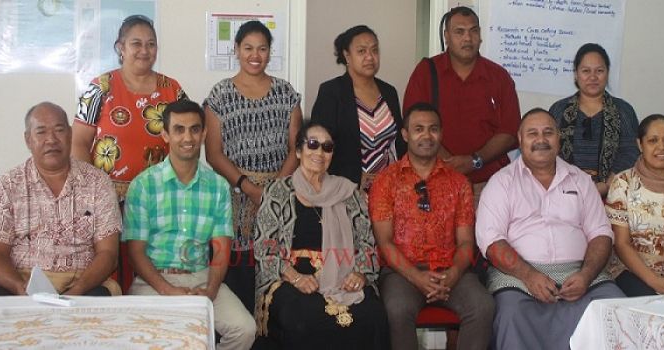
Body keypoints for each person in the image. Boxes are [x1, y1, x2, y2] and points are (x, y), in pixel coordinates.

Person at [476, 108, 626, 350]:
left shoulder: (579, 180)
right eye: (532, 133)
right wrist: (530, 276)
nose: (541, 140)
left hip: (581, 273)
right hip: (518, 277)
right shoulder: (501, 182)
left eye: (548, 132)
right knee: (512, 313)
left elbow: (601, 233)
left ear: (559, 138)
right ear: (520, 139)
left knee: (615, 307)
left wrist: (586, 276)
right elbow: (491, 241)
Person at [123, 100, 256, 350]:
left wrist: (211, 291)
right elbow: (135, 252)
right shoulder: (143, 185)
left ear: (204, 134)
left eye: (195, 129)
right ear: (165, 134)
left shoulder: (217, 186)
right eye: (179, 129)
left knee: (245, 330)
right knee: (146, 334)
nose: (188, 137)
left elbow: (221, 248)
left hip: (201, 277)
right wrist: (166, 290)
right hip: (153, 280)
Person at [369, 102, 494, 350]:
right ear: (405, 135)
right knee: (396, 309)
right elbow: (385, 242)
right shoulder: (386, 180)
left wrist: (453, 274)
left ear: (441, 134)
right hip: (402, 272)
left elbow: (467, 242)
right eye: (418, 129)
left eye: (433, 129)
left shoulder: (459, 183)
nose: (427, 135)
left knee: (483, 306)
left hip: (451, 271)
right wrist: (417, 277)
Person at [254, 122, 389, 349]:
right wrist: (295, 277)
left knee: (373, 316)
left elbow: (368, 245)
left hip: (343, 275)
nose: (319, 152)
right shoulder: (277, 192)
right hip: (290, 278)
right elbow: (265, 249)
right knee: (304, 320)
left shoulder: (349, 194)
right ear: (298, 151)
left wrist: (360, 274)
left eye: (327, 147)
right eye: (313, 144)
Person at [204, 20, 302, 313]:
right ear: (236, 50)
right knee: (238, 276)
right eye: (248, 48)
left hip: (280, 194)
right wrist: (249, 188)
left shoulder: (286, 92)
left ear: (270, 52)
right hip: (233, 197)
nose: (255, 54)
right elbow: (213, 154)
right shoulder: (220, 94)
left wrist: (270, 193)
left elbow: (296, 149)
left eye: (262, 48)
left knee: (277, 269)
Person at [0, 102, 121, 296]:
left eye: (59, 130)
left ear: (70, 134)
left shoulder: (98, 183)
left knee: (100, 297)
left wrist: (77, 290)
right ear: (28, 140)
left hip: (82, 281)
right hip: (21, 280)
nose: (51, 139)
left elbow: (108, 254)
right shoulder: (7, 185)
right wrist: (20, 288)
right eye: (41, 132)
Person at [402, 6, 520, 204]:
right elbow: (413, 126)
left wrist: (474, 161)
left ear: (480, 36)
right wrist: (449, 166)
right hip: (435, 184)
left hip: (488, 188)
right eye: (459, 31)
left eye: (473, 31)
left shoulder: (498, 77)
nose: (467, 38)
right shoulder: (426, 72)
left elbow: (509, 132)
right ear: (446, 36)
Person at [71, 14, 188, 203]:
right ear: (121, 47)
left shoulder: (172, 89)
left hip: (160, 198)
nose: (144, 50)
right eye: (136, 43)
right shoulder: (100, 88)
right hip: (107, 199)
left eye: (151, 44)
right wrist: (93, 190)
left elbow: (189, 139)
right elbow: (78, 143)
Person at [311, 25, 406, 192]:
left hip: (390, 189)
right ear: (347, 55)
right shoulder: (331, 92)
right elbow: (319, 148)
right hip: (348, 190)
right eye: (362, 51)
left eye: (374, 51)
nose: (370, 57)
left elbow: (399, 143)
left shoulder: (389, 92)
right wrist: (353, 177)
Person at [606, 114, 664, 296]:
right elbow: (621, 244)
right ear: (640, 144)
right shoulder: (624, 183)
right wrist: (656, 282)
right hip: (634, 274)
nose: (661, 147)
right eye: (653, 140)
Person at [549, 43, 639, 197]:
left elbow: (631, 153)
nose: (593, 77)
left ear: (607, 73)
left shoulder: (623, 110)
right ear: (576, 74)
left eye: (599, 71)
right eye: (586, 71)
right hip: (563, 193)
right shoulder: (559, 110)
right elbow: (549, 152)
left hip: (614, 194)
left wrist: (605, 185)